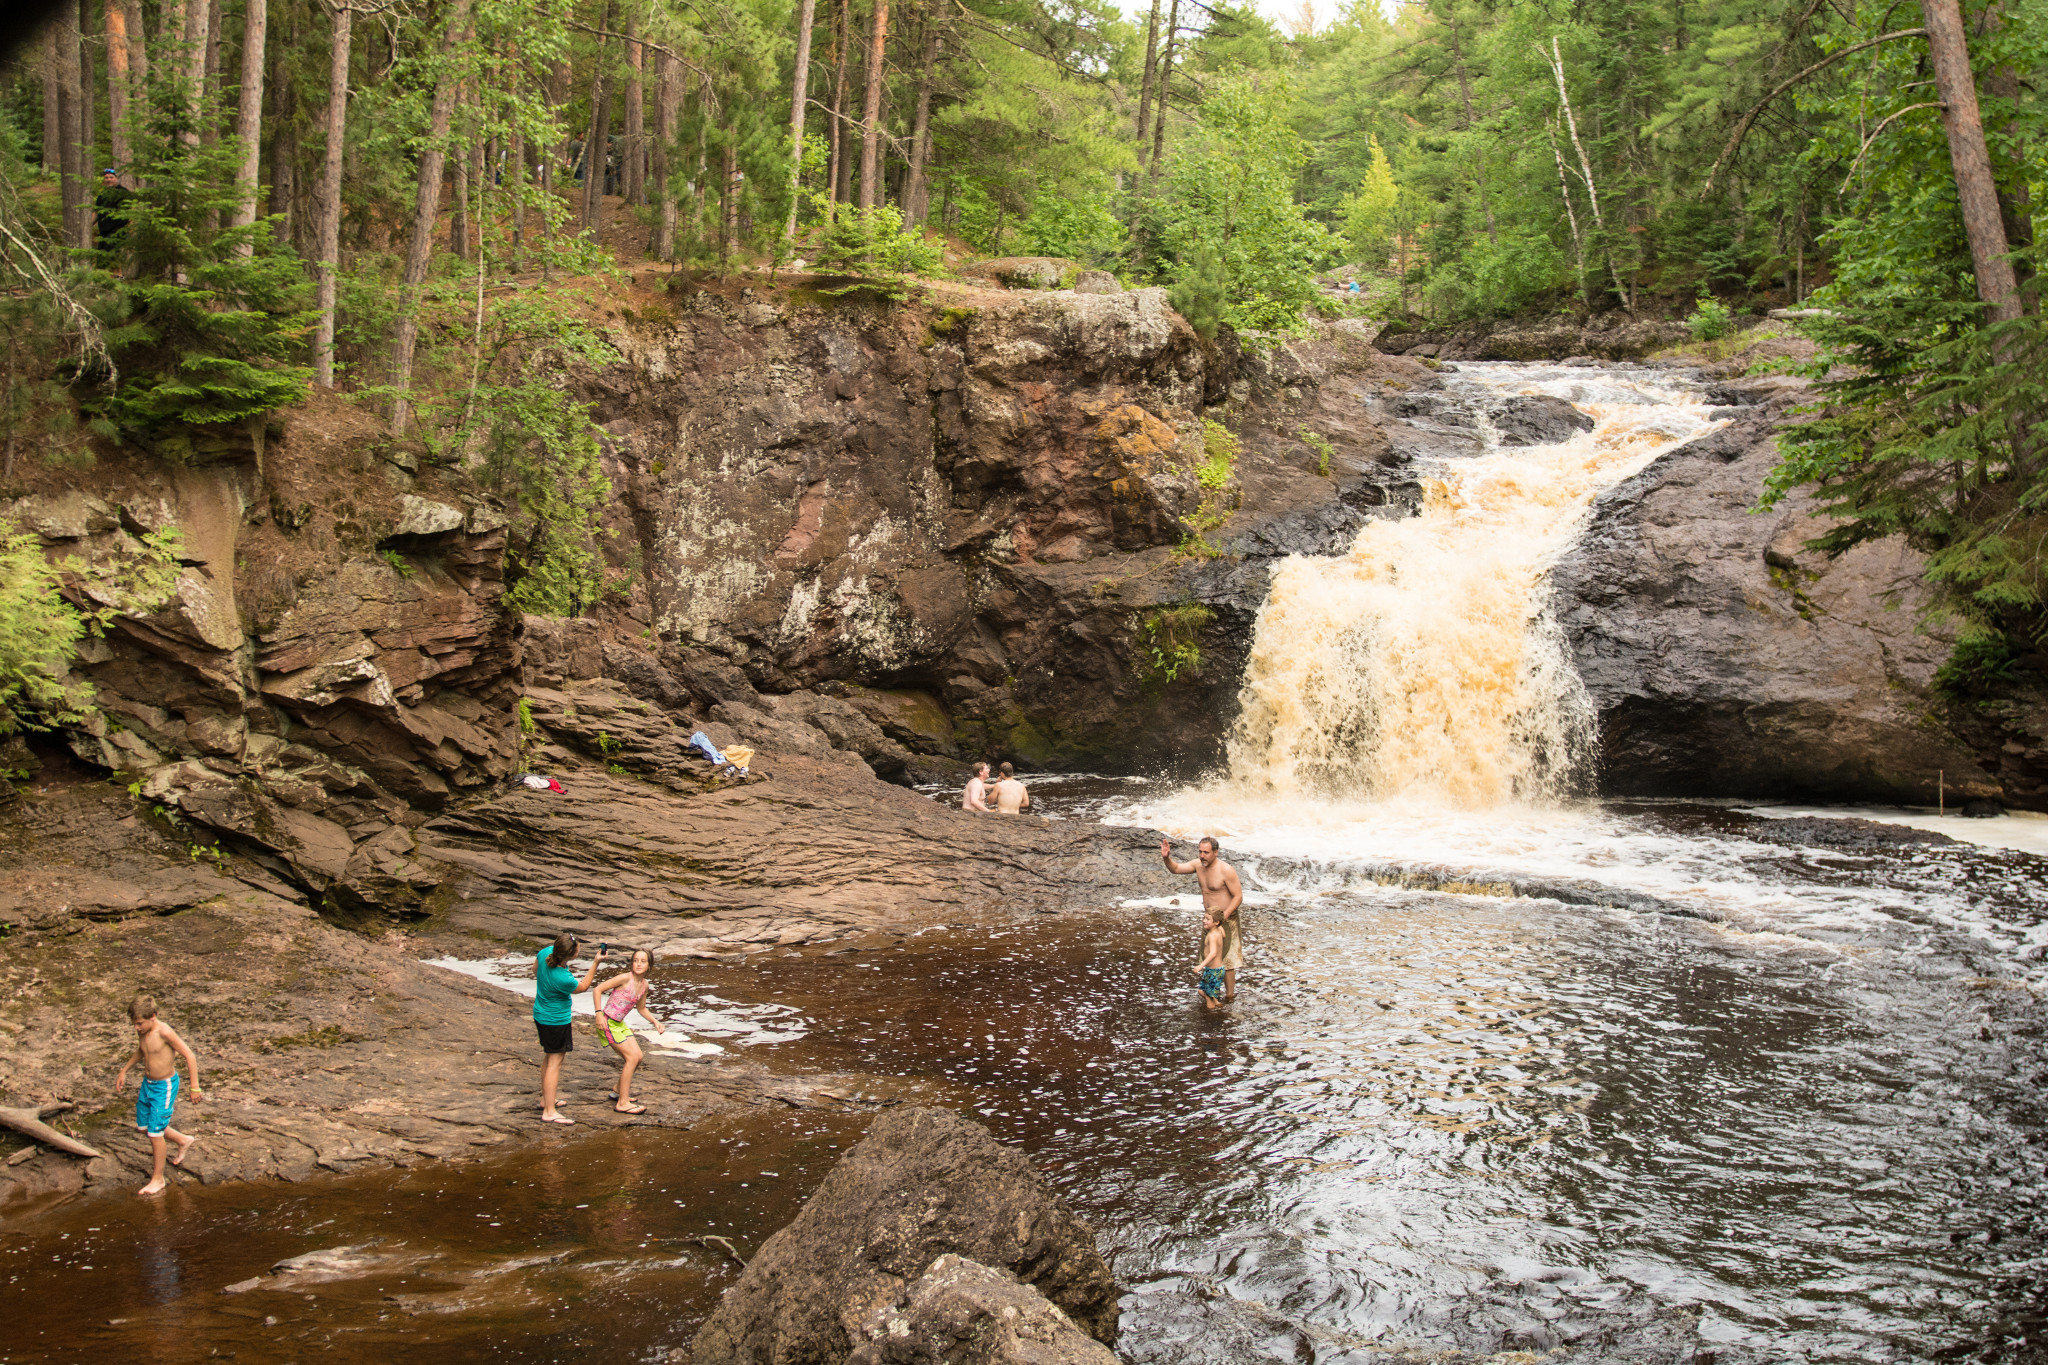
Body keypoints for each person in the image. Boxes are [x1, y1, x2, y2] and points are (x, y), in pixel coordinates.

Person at [113, 994, 204, 1196]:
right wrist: (124, 1070)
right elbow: (142, 1051)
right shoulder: (143, 1031)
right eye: (134, 1024)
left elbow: (189, 1054)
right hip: (148, 1084)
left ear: (153, 1016)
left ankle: (158, 1179)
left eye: (139, 1024)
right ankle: (182, 1140)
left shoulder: (164, 1032)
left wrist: (194, 1086)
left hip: (164, 1086)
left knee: (155, 1134)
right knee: (143, 1127)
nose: (136, 1028)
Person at [1161, 836, 1244, 1000]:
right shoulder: (1198, 865)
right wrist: (1166, 858)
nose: (1202, 856)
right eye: (1200, 851)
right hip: (1209, 920)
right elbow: (1176, 869)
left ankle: (1229, 996)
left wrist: (1222, 918)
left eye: (1206, 852)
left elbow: (1238, 897)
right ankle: (1211, 994)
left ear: (1216, 852)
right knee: (1209, 956)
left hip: (1226, 919)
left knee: (1227, 960)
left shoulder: (1226, 870)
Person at [534, 932, 604, 1124]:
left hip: (540, 1014)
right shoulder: (563, 977)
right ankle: (549, 1111)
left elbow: (535, 970)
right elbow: (582, 987)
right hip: (555, 1021)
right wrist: (596, 963)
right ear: (571, 955)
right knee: (555, 1063)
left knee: (549, 1057)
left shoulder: (545, 953)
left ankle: (546, 1099)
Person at [592, 948, 666, 1114]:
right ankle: (622, 1102)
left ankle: (619, 1089)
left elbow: (642, 1008)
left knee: (638, 1056)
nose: (638, 964)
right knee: (631, 1058)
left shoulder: (644, 985)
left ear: (649, 965)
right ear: (632, 963)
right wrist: (598, 1014)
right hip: (608, 1022)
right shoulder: (625, 978)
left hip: (620, 1024)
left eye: (643, 961)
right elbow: (597, 989)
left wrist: (655, 1021)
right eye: (636, 960)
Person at [1192, 913, 1228, 1010]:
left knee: (1205, 995)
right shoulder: (1219, 930)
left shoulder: (1212, 936)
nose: (1204, 920)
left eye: (1207, 919)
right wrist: (1220, 927)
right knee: (1203, 991)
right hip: (1217, 969)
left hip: (1213, 971)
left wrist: (1201, 966)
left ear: (1216, 922)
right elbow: (1224, 936)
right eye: (1204, 918)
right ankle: (1216, 1001)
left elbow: (1213, 953)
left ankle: (1211, 1014)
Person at [94, 169, 131, 251]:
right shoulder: (102, 195)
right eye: (106, 178)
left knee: (112, 259)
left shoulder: (123, 193)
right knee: (102, 258)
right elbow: (97, 212)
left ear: (116, 179)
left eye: (111, 177)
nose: (108, 180)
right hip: (104, 233)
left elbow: (130, 211)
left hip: (117, 233)